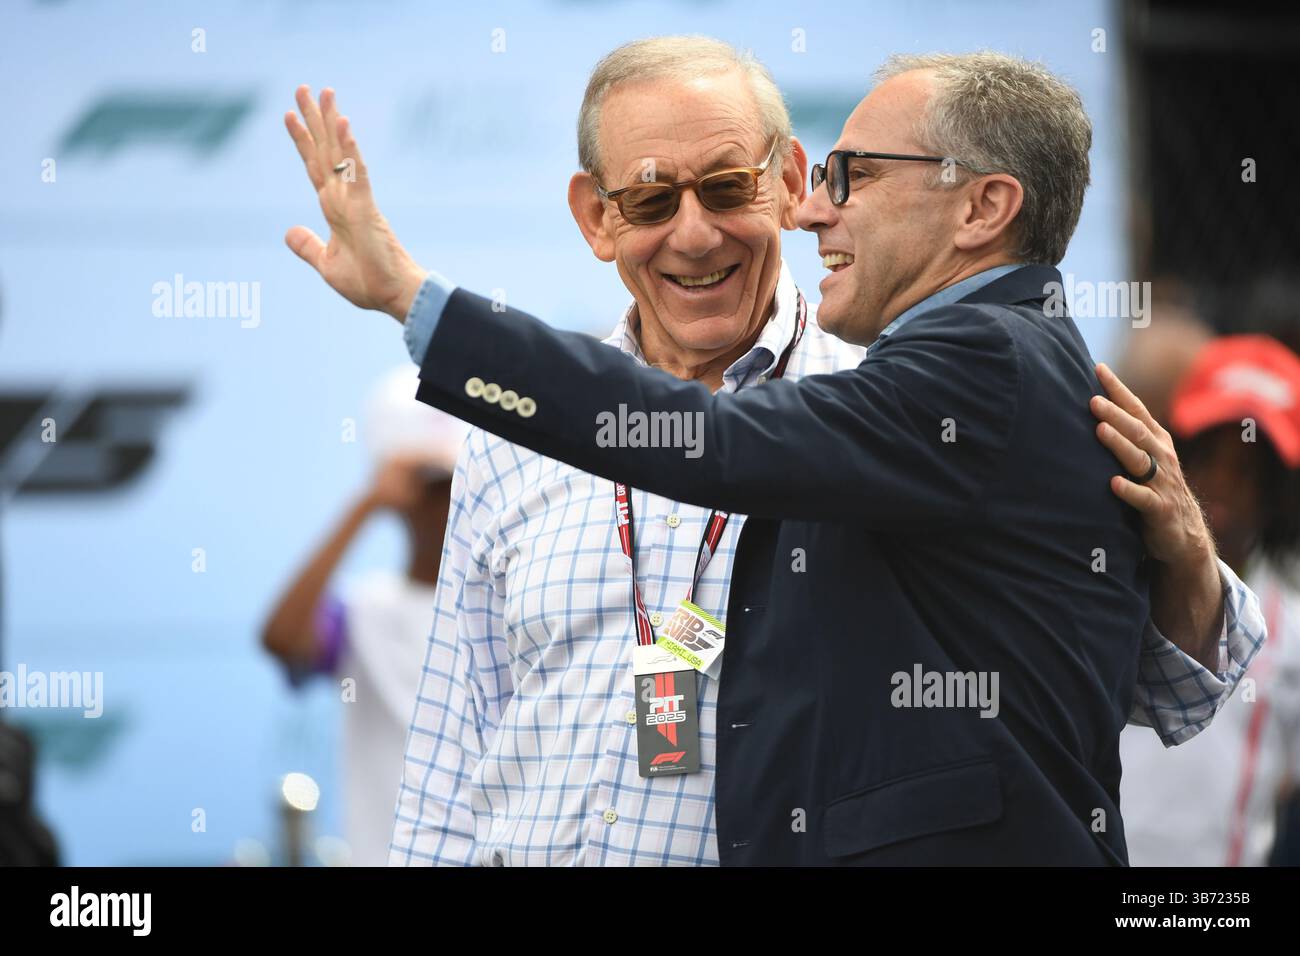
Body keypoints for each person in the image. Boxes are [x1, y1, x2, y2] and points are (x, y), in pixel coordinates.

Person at [283, 44, 1265, 864]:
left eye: (725, 186)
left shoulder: (899, 391)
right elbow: (451, 757)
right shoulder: (514, 429)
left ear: (784, 180)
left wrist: (1191, 570)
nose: (695, 232)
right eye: (651, 200)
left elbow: (1153, 684)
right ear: (594, 217)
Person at [261, 366, 466, 866]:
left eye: (458, 483)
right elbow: (282, 639)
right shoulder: (362, 612)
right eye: (430, 487)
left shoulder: (517, 606)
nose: (447, 505)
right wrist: (367, 503)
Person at [1119, 336, 1300, 866]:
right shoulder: (1120, 584)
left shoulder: (1291, 625)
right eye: (1210, 459)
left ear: (1277, 493)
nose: (1222, 484)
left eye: (1247, 471)